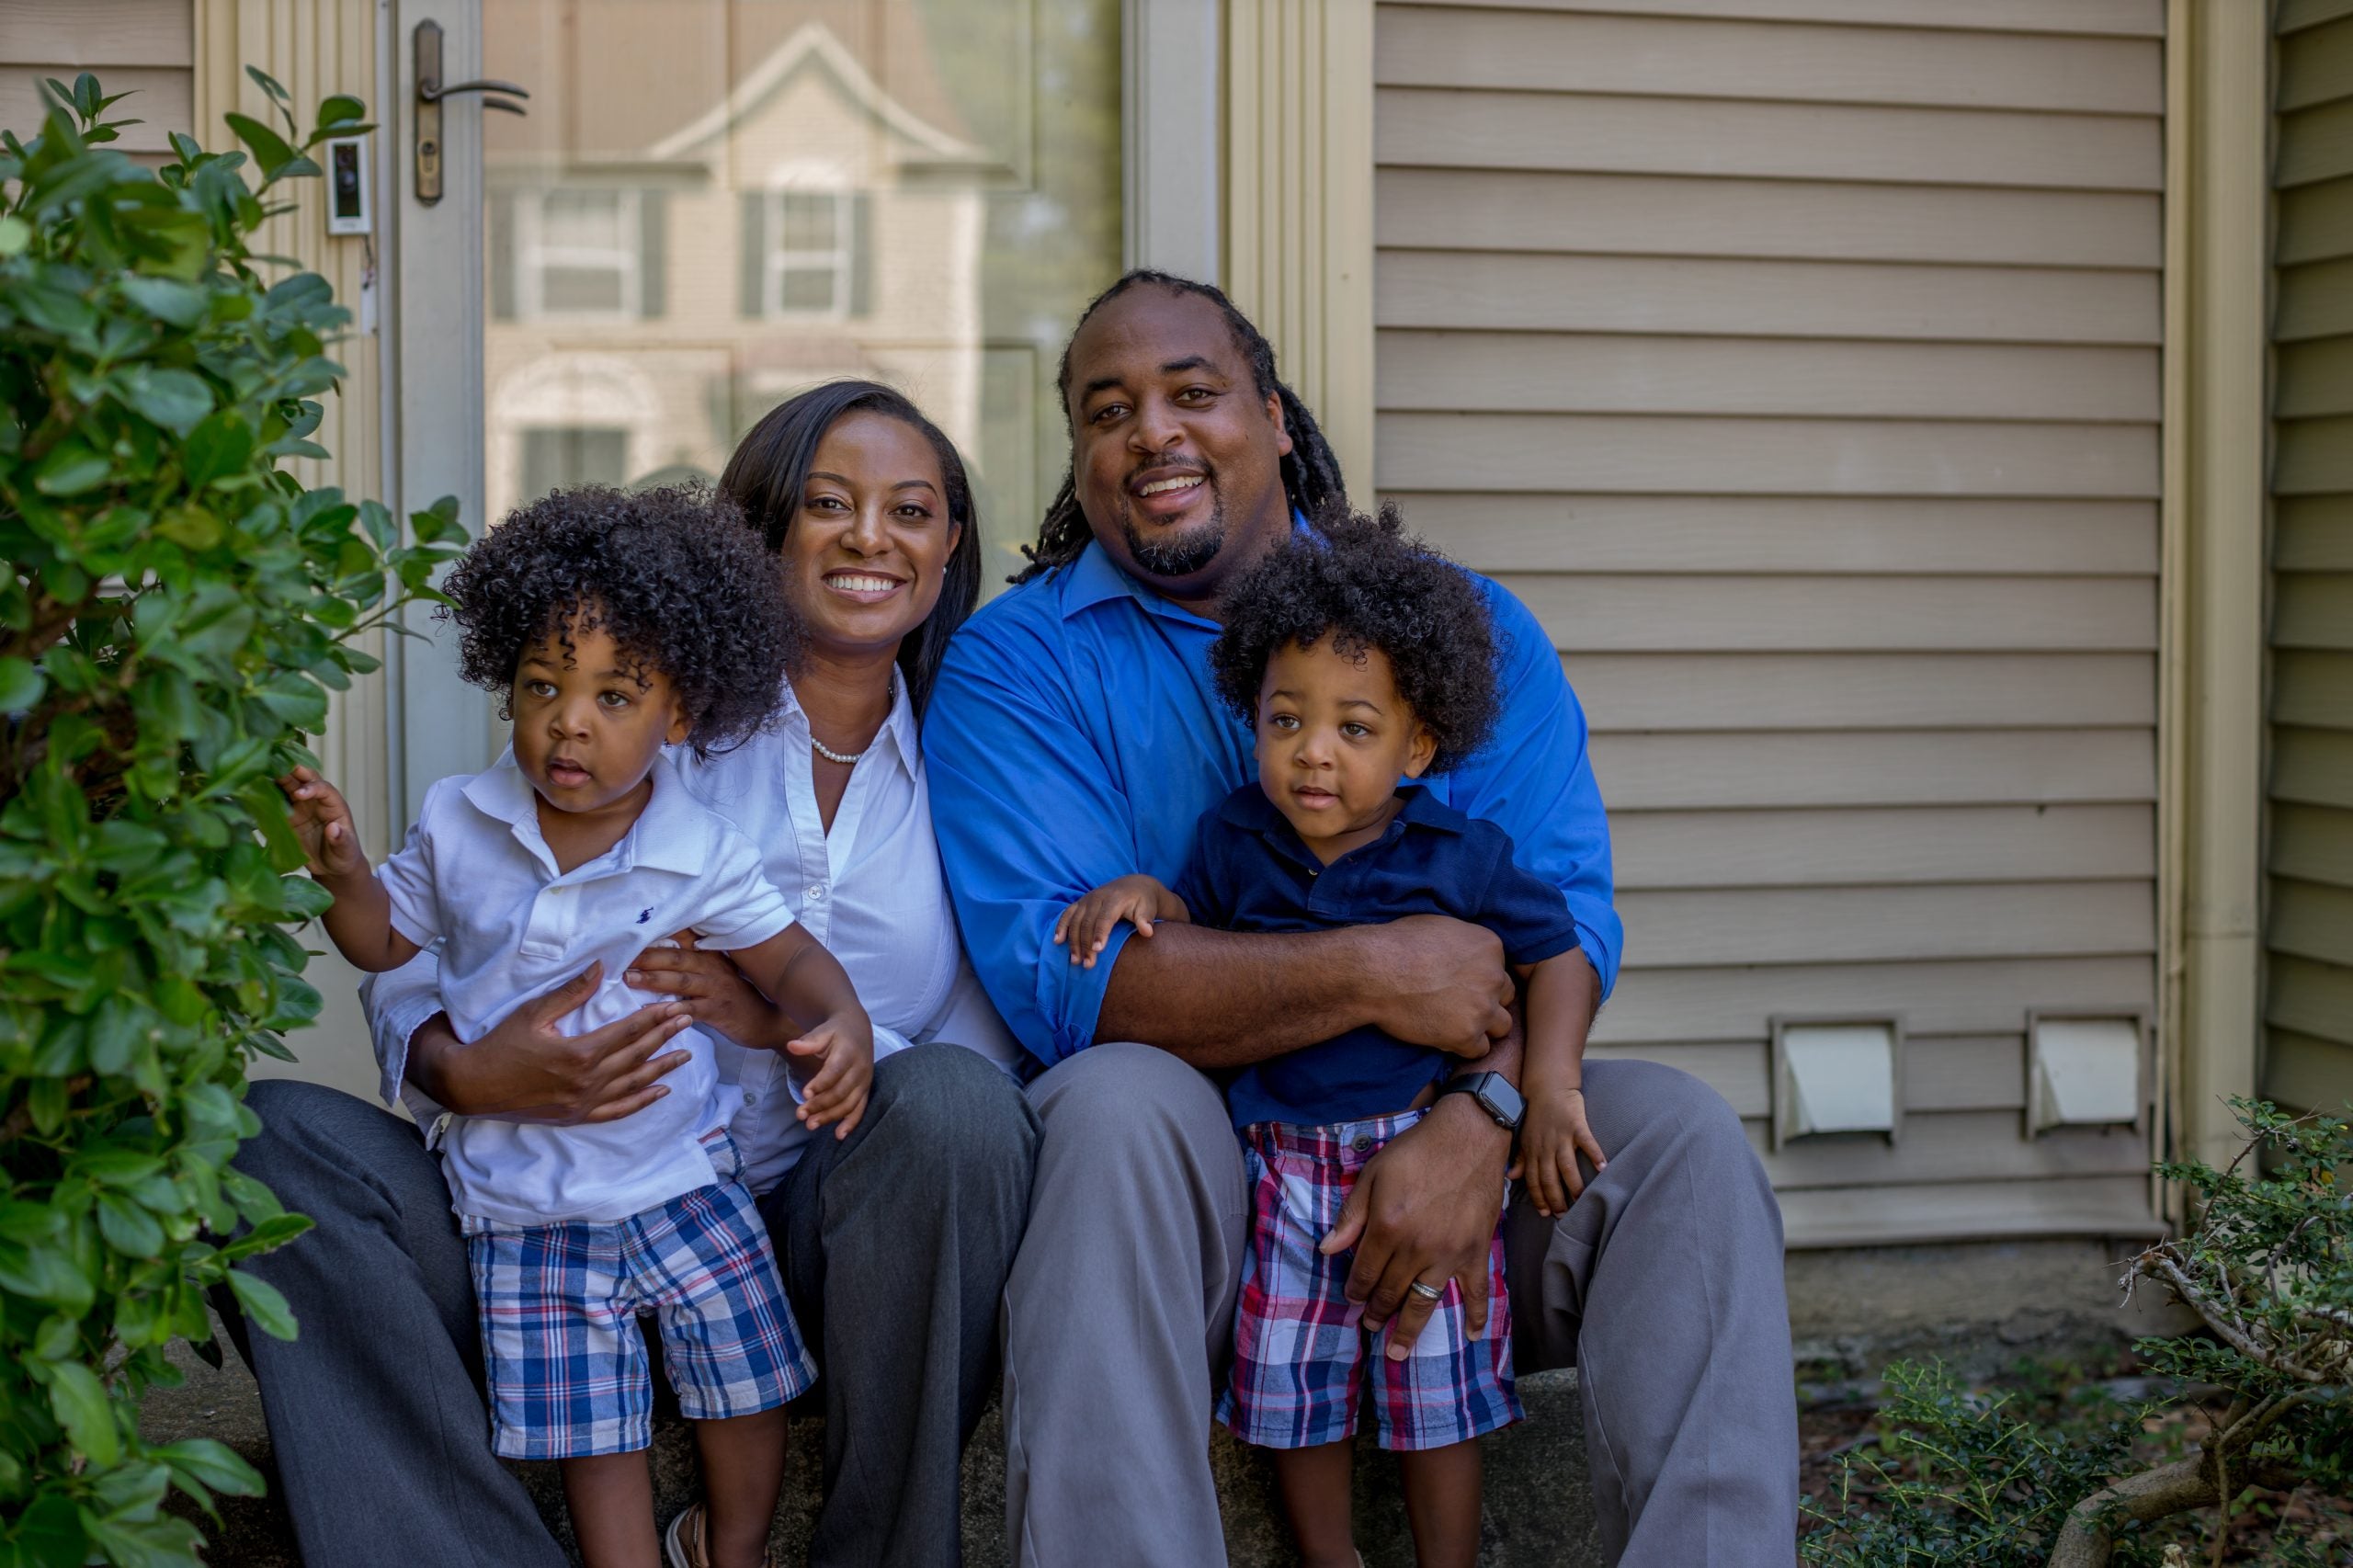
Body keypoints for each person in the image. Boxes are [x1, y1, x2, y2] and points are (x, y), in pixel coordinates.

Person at [926, 272, 1800, 1566]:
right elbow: (1090, 987)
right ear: (1080, 457)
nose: (1151, 432)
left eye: (1195, 393)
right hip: (1206, 1198)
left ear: (1275, 418)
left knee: (1680, 1140)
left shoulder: (1467, 632)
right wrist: (1383, 967)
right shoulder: (1019, 664)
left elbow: (1565, 926)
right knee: (1110, 1106)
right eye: (1108, 411)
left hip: (1450, 1158)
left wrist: (1484, 1117)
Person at [227, 381, 1037, 1568]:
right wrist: (469, 1069)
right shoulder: (609, 726)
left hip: (802, 1247)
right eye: (826, 503)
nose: (871, 536)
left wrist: (776, 1022)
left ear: (948, 542)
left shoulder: (970, 759)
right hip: (535, 1213)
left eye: (909, 508)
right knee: (266, 1139)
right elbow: (444, 933)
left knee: (959, 1104)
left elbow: (963, 1068)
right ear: (758, 532)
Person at [278, 484, 870, 1568]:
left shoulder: (699, 845)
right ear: (504, 681)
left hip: (683, 1176)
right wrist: (344, 873)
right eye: (542, 685)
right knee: (595, 1435)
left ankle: (729, 1546)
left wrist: (842, 1017)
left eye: (614, 694)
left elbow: (784, 955)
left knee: (746, 1388)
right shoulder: (462, 818)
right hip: (525, 1207)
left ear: (680, 714)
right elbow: (384, 943)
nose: (570, 720)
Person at [1053, 508, 1608, 1568]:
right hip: (1282, 1168)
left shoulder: (1463, 853)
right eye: (1285, 720)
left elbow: (1560, 955)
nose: (1312, 753)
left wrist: (1550, 1084)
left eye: (1354, 728)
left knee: (1432, 1382)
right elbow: (1191, 932)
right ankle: (1328, 1555)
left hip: (1422, 1145)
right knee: (1289, 1383)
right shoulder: (1235, 838)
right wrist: (1140, 893)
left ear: (1419, 745)